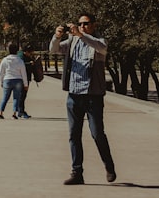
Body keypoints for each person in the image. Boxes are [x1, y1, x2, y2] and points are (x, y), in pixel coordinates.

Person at [50, 13, 117, 186]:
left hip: (93, 96)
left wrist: (82, 35)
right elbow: (54, 50)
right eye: (80, 24)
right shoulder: (72, 42)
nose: (82, 26)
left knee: (97, 133)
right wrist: (57, 36)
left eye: (86, 24)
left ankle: (108, 165)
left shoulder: (98, 41)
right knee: (74, 134)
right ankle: (76, 171)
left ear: (93, 25)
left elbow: (101, 48)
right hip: (74, 95)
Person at [0, 42, 28, 119]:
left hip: (7, 79)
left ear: (8, 50)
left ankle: (0, 112)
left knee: (5, 97)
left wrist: (1, 82)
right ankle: (14, 114)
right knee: (16, 98)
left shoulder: (4, 60)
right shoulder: (20, 60)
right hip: (18, 80)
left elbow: (1, 72)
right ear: (17, 51)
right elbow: (23, 73)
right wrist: (26, 84)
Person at [17, 46, 38, 119]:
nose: (31, 54)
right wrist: (29, 63)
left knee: (23, 95)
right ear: (26, 51)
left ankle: (20, 110)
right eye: (30, 53)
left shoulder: (25, 56)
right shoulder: (21, 56)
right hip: (22, 78)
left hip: (26, 78)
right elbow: (21, 65)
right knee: (22, 95)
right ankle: (20, 111)